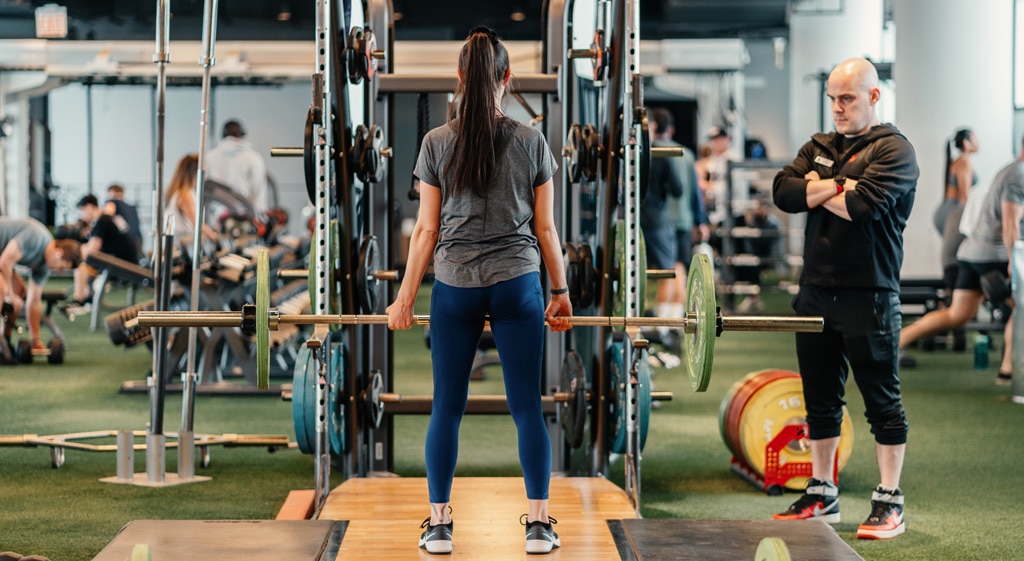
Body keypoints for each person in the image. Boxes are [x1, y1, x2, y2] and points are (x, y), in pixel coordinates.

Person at [385, 25, 571, 556]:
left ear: (461, 77)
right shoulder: (532, 140)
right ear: (507, 78)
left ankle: (440, 526)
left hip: (455, 287)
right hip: (518, 285)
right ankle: (538, 526)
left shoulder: (435, 142)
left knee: (447, 405)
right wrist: (560, 291)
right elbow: (546, 230)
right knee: (526, 408)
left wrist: (403, 299)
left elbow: (424, 231)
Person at [771, 58, 918, 540]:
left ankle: (889, 501)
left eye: (847, 98)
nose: (837, 107)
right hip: (815, 291)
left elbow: (863, 206)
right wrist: (834, 184)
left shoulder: (894, 150)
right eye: (833, 97)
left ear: (873, 97)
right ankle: (822, 492)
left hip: (870, 293)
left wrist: (818, 189)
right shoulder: (818, 145)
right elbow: (783, 192)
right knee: (819, 399)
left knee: (882, 402)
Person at [899, 138, 1024, 383]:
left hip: (972, 253)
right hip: (994, 254)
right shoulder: (1019, 174)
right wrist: (1014, 262)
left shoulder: (1010, 171)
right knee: (1021, 309)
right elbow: (1010, 224)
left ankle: (894, 343)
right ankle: (1008, 372)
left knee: (957, 314)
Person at [649, 107, 708, 350]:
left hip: (657, 220)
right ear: (670, 129)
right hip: (681, 221)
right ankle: (672, 327)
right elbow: (694, 193)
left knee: (667, 272)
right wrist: (700, 220)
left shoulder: (647, 151)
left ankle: (666, 327)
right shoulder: (686, 154)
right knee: (677, 271)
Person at [0, 217, 82, 350]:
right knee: (3, 288)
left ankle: (5, 344)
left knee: (19, 294)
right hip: (2, 258)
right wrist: (10, 295)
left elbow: (34, 301)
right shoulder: (36, 238)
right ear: (58, 254)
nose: (59, 272)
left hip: (2, 257)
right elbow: (5, 261)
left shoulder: (44, 266)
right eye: (61, 267)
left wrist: (35, 339)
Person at [641, 107, 683, 345]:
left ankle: (643, 322)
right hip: (657, 220)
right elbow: (678, 190)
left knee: (633, 271)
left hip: (634, 219)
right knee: (668, 271)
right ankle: (661, 328)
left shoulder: (631, 151)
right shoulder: (663, 154)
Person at [65, 194, 142, 314]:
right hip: (125, 262)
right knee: (85, 261)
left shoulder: (103, 220)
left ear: (89, 207)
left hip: (123, 265)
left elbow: (92, 249)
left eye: (82, 211)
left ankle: (79, 301)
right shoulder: (107, 219)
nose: (82, 216)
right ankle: (88, 299)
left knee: (81, 265)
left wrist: (76, 251)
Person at [204, 120, 269, 214]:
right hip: (244, 216)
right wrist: (259, 216)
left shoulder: (210, 156)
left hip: (216, 216)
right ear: (242, 134)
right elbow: (258, 192)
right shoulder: (254, 158)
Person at [165, 153, 221, 245]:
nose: (206, 175)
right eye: (205, 171)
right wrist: (215, 237)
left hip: (183, 243)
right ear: (195, 172)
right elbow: (197, 224)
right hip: (180, 245)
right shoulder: (185, 194)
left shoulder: (187, 192)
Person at [104, 183, 143, 253]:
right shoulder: (132, 208)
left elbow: (106, 216)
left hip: (124, 242)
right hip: (138, 240)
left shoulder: (112, 203)